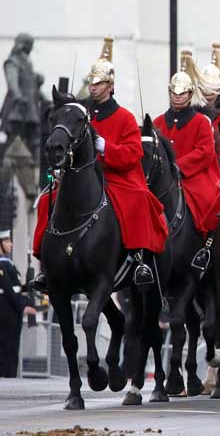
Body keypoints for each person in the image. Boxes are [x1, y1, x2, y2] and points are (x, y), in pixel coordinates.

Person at [32, 37, 168, 290]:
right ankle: (45, 263)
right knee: (45, 199)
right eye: (92, 82)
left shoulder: (125, 118)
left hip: (117, 176)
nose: (93, 88)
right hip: (84, 176)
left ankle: (139, 259)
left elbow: (133, 153)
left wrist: (106, 148)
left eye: (99, 83)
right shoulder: (80, 115)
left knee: (138, 197)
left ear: (110, 85)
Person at [154, 49, 220, 272]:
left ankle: (207, 246)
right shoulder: (158, 122)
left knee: (208, 201)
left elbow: (204, 152)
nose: (177, 96)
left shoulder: (201, 122)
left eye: (182, 93)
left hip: (193, 176)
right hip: (164, 178)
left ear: (190, 94)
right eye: (174, 92)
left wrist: (177, 167)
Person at [0, 230, 36, 378]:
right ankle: (5, 375)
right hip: (5, 309)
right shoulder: (1, 265)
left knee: (13, 345)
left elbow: (17, 288)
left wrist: (30, 286)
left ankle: (10, 376)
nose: (11, 244)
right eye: (7, 241)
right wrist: (22, 306)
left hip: (13, 310)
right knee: (5, 345)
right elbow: (8, 289)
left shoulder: (10, 264)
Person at [193, 41, 220, 156]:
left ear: (219, 90)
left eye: (211, 89)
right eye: (204, 88)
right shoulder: (192, 113)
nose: (207, 93)